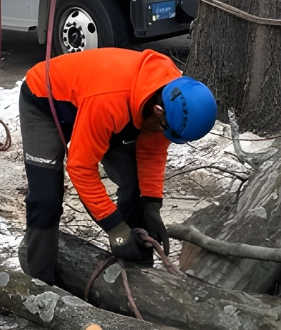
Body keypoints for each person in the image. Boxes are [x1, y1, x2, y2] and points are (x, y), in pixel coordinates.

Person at [18, 48, 217, 285]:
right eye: (163, 129)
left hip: (112, 107)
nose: (164, 135)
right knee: (46, 198)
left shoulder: (173, 99)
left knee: (134, 185)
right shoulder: (110, 101)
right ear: (158, 110)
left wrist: (151, 204)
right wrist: (116, 230)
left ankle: (136, 274)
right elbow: (81, 167)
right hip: (47, 102)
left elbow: (152, 152)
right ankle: (39, 286)